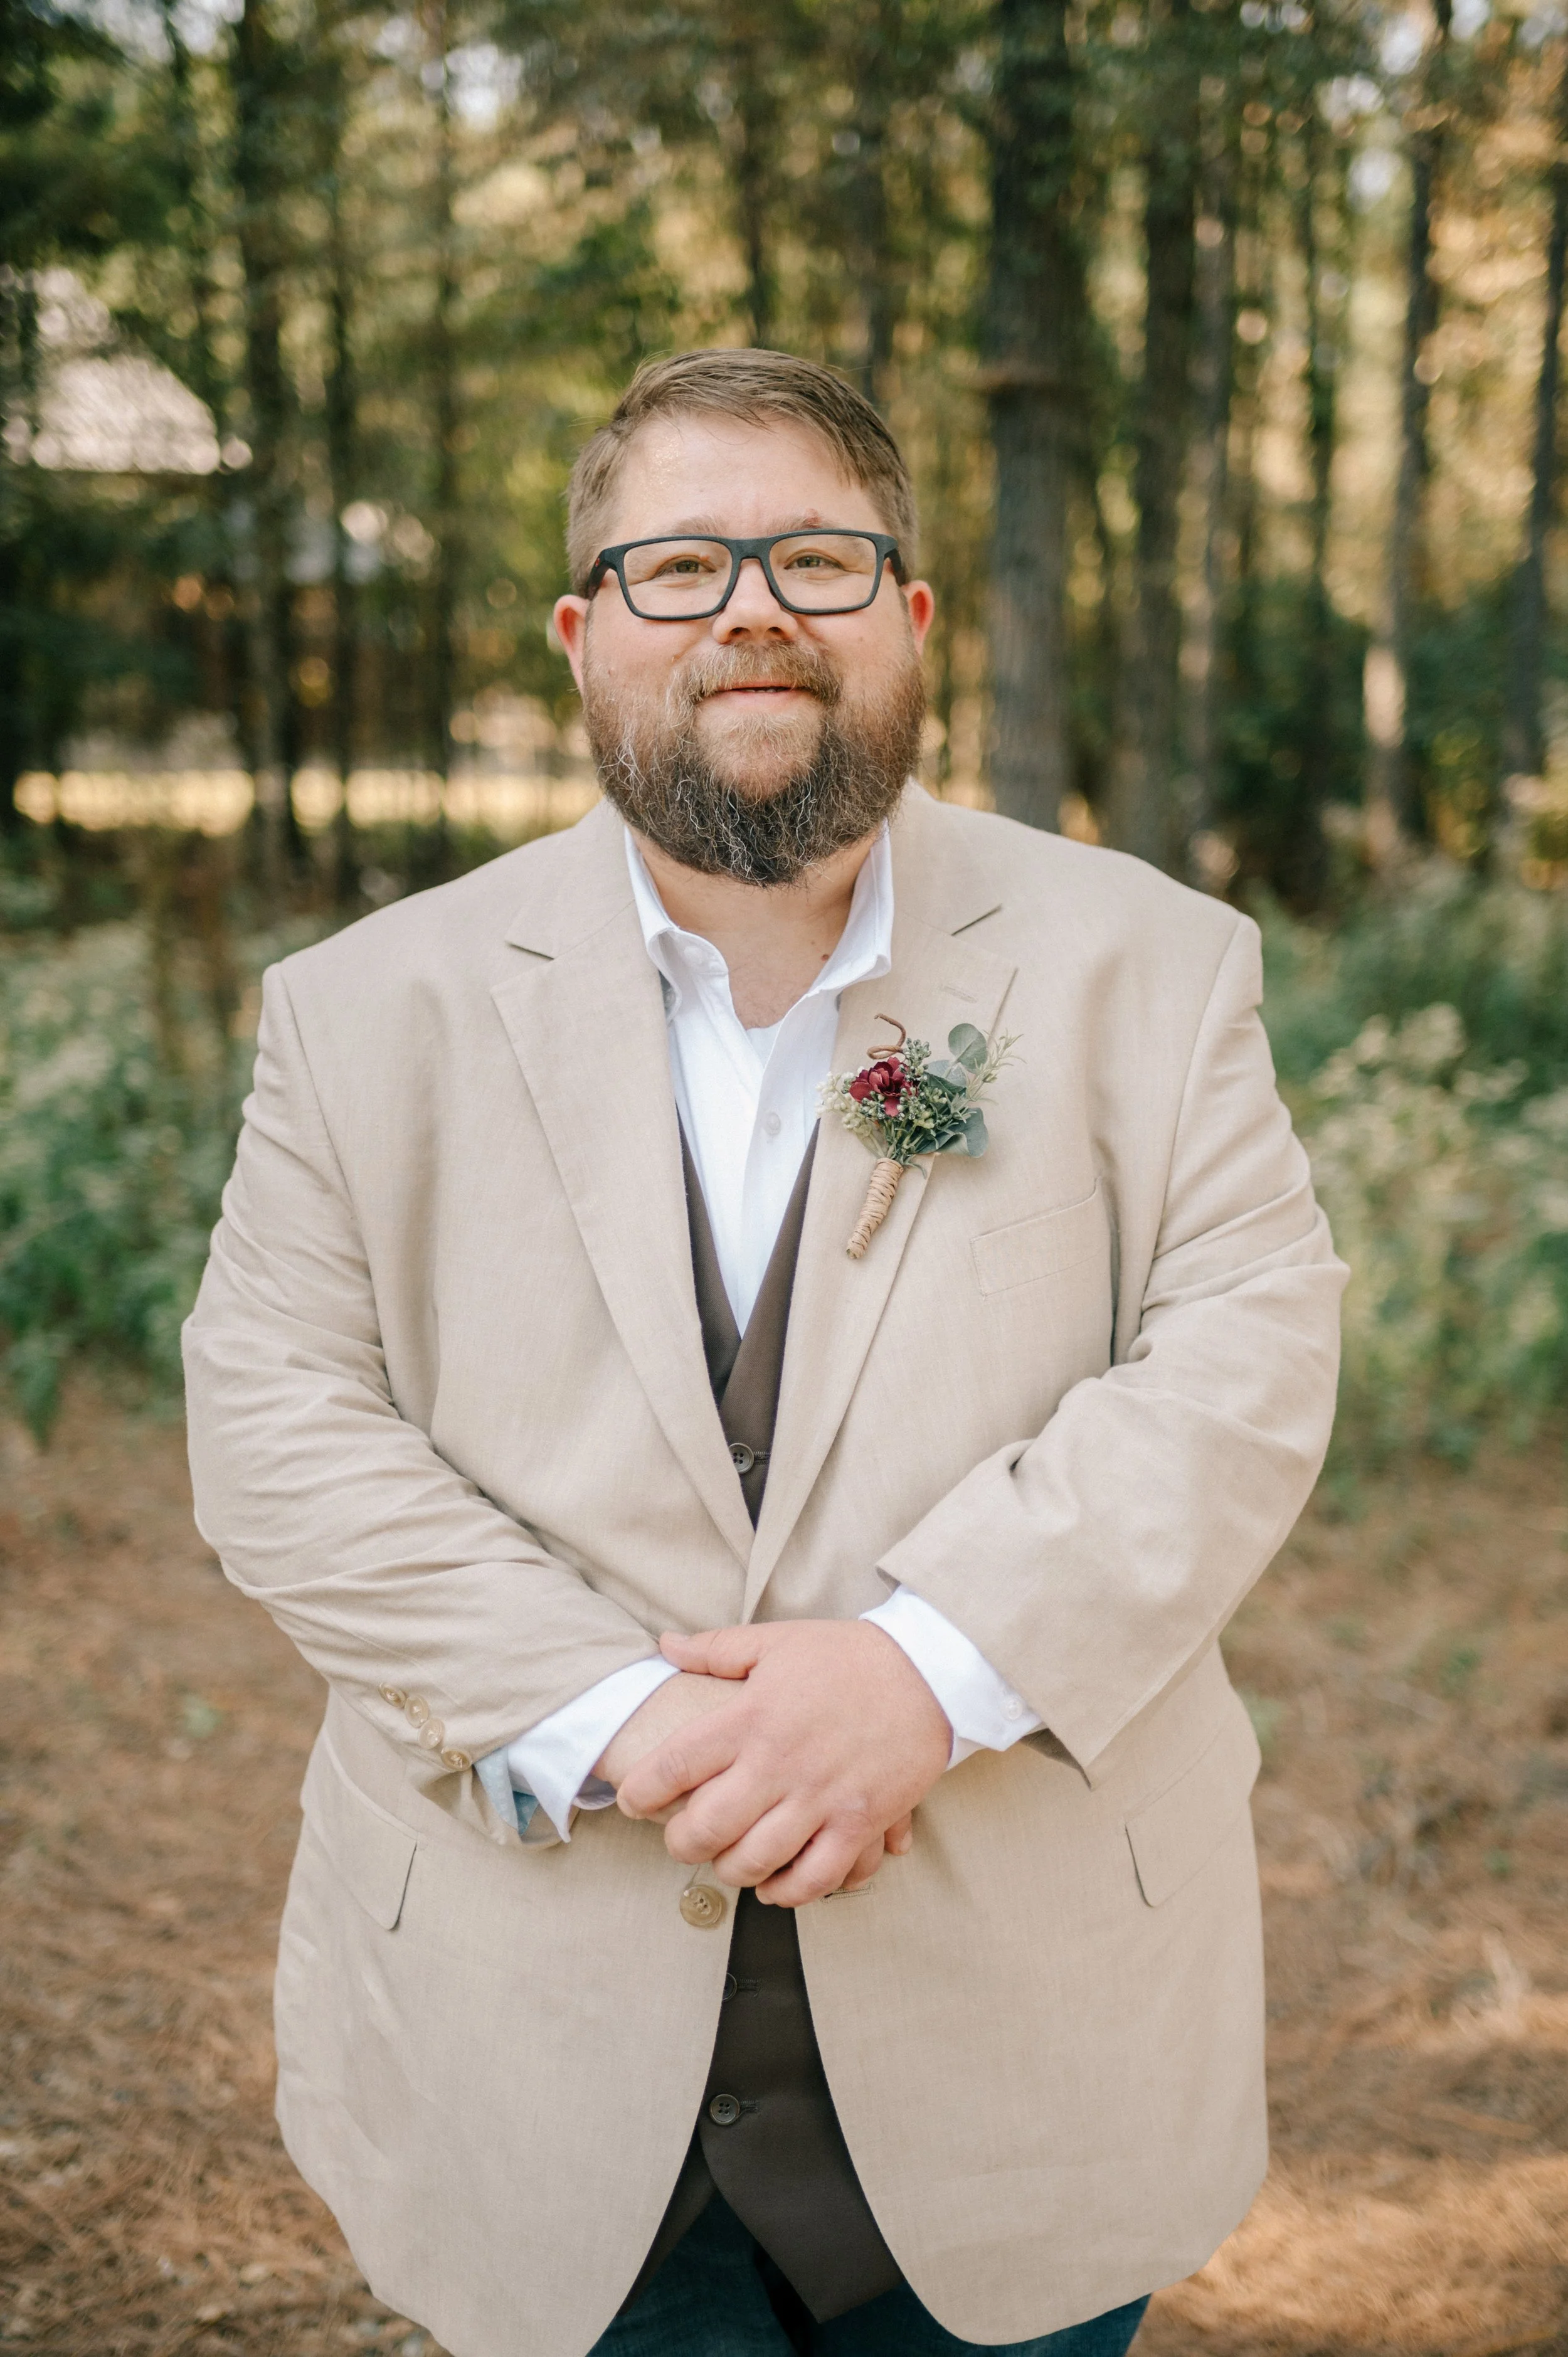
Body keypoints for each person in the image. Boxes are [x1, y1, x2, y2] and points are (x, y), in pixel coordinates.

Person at [183, 347, 1345, 2357]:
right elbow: (275, 1416)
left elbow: (1239, 1351)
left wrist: (923, 1669)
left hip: (1029, 2051)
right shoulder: (359, 1010)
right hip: (530, 2056)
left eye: (814, 557)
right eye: (675, 566)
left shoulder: (1152, 964)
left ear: (905, 619)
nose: (746, 607)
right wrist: (612, 1718)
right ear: (581, 634)